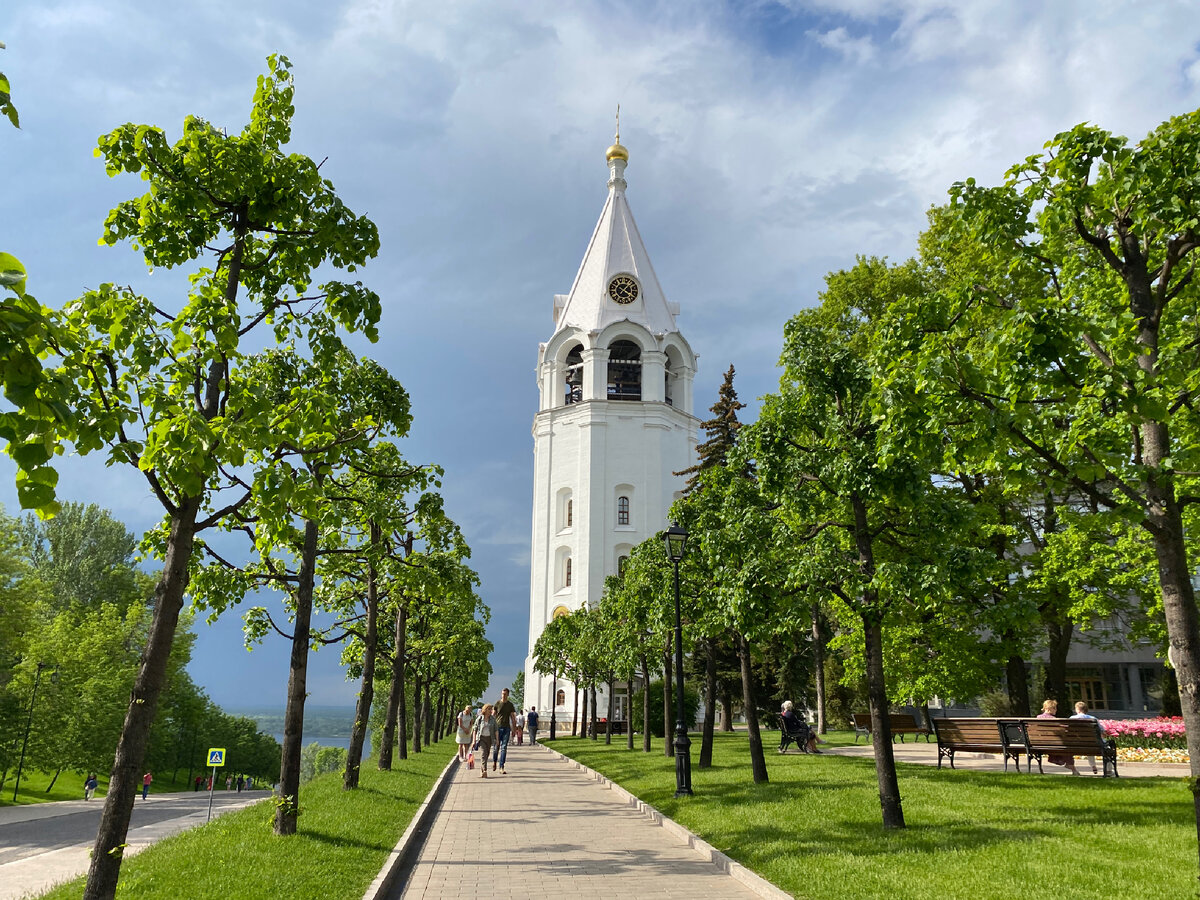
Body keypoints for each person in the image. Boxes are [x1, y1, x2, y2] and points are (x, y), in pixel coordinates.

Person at [1037, 699, 1079, 775]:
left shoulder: (1038, 718)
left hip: (1041, 743)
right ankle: (1073, 769)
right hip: (1054, 744)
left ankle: (1069, 766)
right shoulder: (1053, 720)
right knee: (1067, 747)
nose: (1056, 710)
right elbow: (1063, 729)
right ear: (1048, 708)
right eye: (1054, 708)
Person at [1070, 700, 1106, 775]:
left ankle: (1093, 766)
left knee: (1088, 744)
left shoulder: (1072, 718)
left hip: (1076, 744)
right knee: (1104, 747)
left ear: (1077, 709)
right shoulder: (1093, 719)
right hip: (1092, 744)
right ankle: (1108, 770)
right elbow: (1102, 730)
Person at [492, 687, 517, 773]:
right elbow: (493, 716)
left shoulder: (510, 705)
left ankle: (501, 766)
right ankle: (495, 762)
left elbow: (513, 717)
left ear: (508, 695)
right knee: (496, 748)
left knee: (504, 747)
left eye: (505, 694)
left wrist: (514, 729)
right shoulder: (497, 704)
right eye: (502, 694)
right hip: (497, 728)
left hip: (506, 728)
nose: (503, 695)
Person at [473, 704, 497, 778]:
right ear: (485, 710)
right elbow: (475, 729)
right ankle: (484, 770)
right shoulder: (480, 718)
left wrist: (497, 739)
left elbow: (496, 730)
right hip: (481, 738)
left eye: (491, 709)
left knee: (487, 754)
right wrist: (474, 740)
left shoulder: (493, 719)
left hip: (489, 738)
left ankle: (482, 769)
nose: (491, 711)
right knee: (483, 753)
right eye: (489, 709)